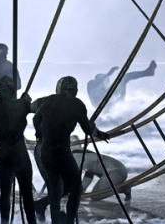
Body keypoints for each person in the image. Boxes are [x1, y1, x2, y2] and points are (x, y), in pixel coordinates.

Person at [33, 75, 110, 224]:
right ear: (75, 90)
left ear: (58, 89)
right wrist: (98, 132)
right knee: (76, 187)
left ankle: (46, 210)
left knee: (56, 187)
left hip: (45, 151)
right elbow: (87, 129)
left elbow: (35, 118)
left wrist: (39, 132)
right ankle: (68, 220)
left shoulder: (46, 101)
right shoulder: (77, 104)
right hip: (62, 152)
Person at [0, 76, 35, 224]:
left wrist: (21, 103)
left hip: (3, 155)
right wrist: (24, 102)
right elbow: (21, 110)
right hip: (19, 155)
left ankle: (4, 222)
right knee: (27, 194)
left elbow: (9, 112)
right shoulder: (22, 105)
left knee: (5, 193)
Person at [86, 60, 156, 109]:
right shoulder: (91, 83)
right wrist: (108, 74)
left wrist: (121, 99)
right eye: (105, 79)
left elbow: (121, 91)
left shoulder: (106, 89)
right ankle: (148, 72)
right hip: (100, 105)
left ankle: (148, 72)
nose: (107, 81)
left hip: (109, 105)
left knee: (124, 79)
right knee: (125, 77)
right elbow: (97, 82)